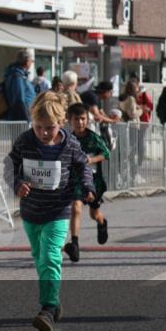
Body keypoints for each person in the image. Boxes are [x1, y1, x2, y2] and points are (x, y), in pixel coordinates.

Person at [4, 91, 95, 331]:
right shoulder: (25, 141)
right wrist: (17, 184)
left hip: (58, 210)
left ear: (61, 123)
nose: (44, 133)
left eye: (50, 128)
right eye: (39, 127)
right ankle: (53, 303)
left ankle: (47, 307)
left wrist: (87, 187)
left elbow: (83, 166)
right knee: (38, 255)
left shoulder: (70, 145)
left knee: (50, 255)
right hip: (32, 211)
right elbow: (10, 166)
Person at [65, 102, 110, 263]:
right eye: (76, 119)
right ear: (69, 120)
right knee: (76, 208)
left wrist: (91, 159)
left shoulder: (93, 138)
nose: (80, 122)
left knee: (93, 213)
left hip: (93, 180)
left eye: (83, 119)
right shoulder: (68, 139)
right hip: (75, 180)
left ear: (88, 120)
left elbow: (106, 153)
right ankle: (75, 244)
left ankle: (102, 222)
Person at [3, 50, 35, 121]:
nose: (32, 63)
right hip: (20, 119)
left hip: (19, 117)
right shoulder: (18, 76)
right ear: (27, 61)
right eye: (31, 61)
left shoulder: (18, 74)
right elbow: (19, 100)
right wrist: (27, 119)